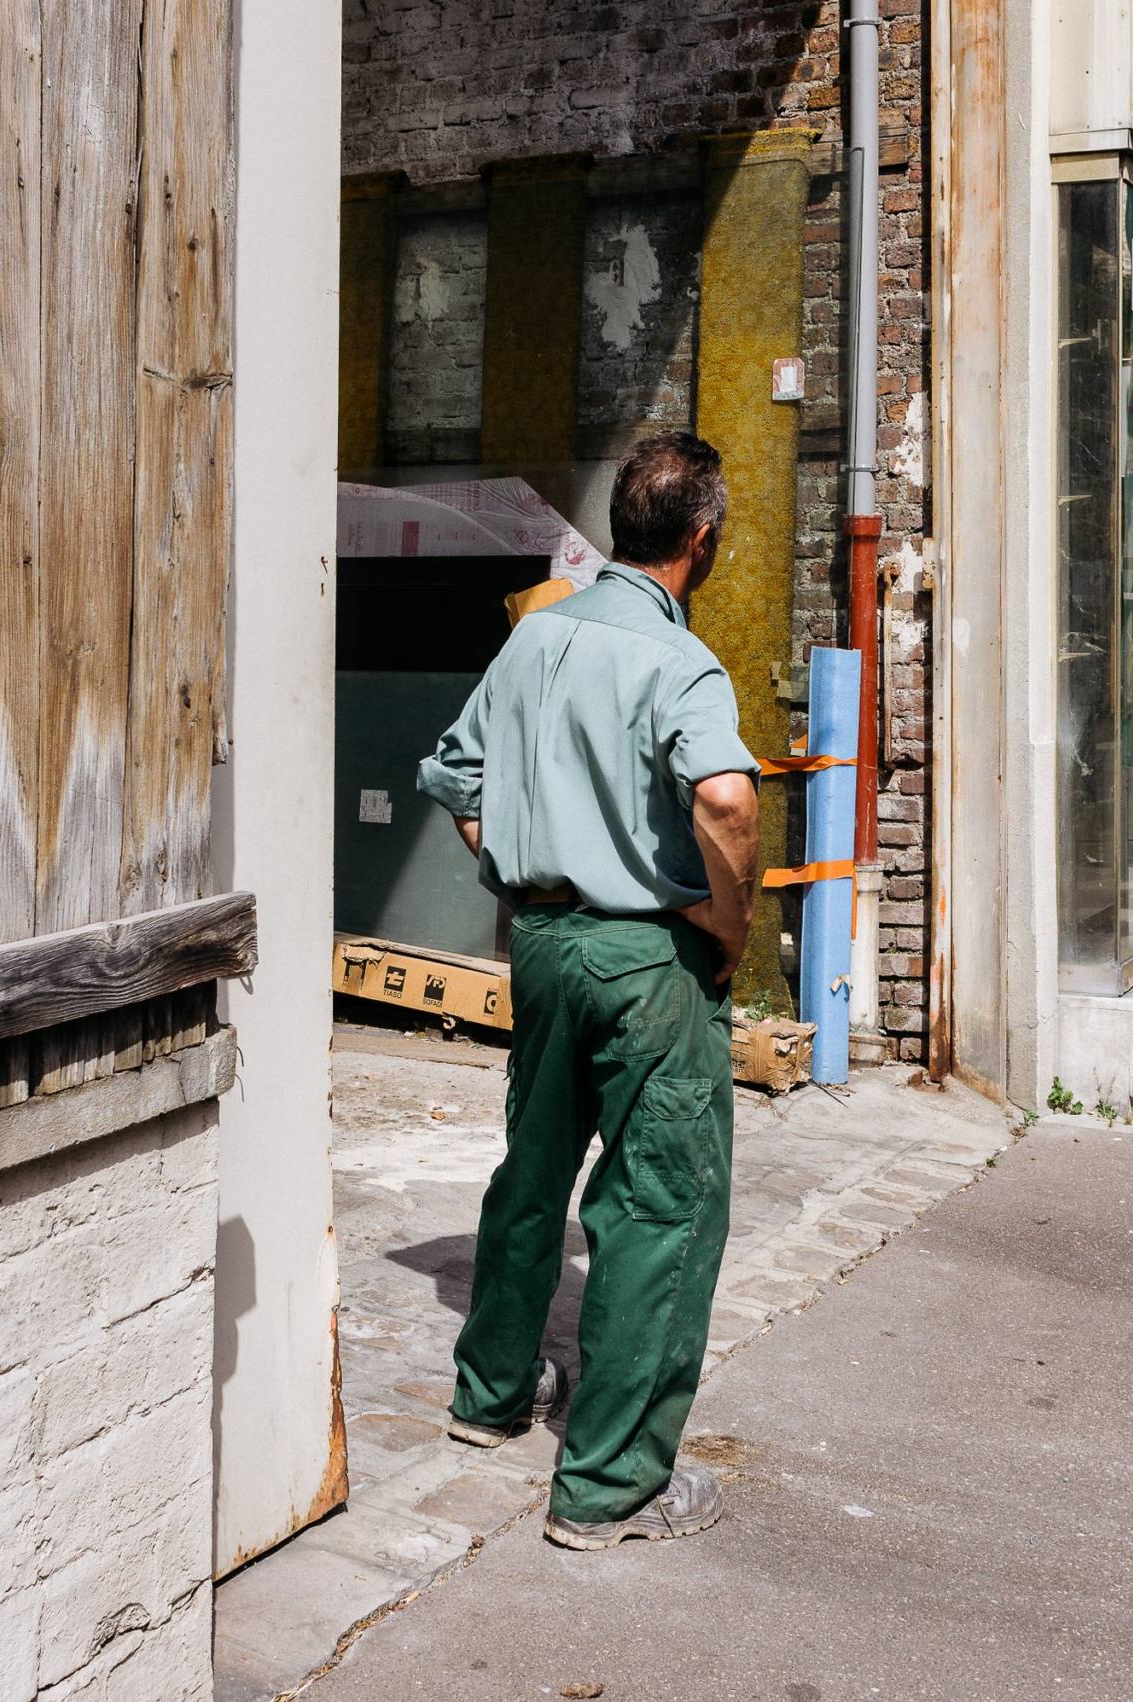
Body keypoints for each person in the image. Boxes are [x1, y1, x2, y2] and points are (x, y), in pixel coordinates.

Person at [415, 432, 762, 1551]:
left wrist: (507, 858)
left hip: (546, 942)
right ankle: (611, 1485)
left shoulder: (537, 635)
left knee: (535, 1167)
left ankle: (490, 1397)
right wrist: (728, 925)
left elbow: (454, 772)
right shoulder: (680, 663)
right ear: (700, 541)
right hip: (643, 955)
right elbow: (724, 799)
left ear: (623, 525)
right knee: (662, 1205)